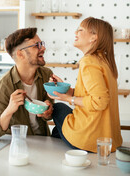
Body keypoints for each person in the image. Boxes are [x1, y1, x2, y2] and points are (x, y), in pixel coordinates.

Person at [48, 17, 122, 153]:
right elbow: (93, 94)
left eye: (80, 30)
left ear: (94, 37)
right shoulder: (105, 61)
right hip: (107, 140)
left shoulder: (88, 62)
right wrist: (67, 90)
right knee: (56, 131)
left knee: (58, 108)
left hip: (89, 139)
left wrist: (68, 99)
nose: (75, 33)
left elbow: (99, 101)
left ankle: (69, 142)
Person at [0, 27, 53, 140]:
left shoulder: (47, 75)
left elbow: (48, 115)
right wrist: (9, 110)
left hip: (43, 141)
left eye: (41, 44)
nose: (43, 48)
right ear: (20, 54)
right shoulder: (4, 85)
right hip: (18, 144)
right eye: (37, 45)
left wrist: (48, 112)